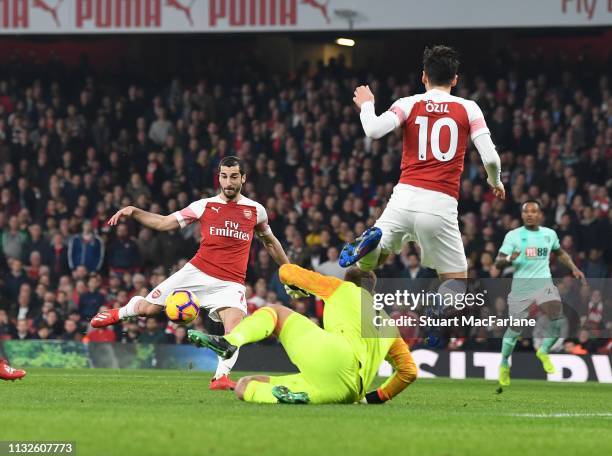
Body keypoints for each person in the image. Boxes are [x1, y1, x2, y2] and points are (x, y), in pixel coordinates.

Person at [91, 156, 294, 390]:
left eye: (234, 177)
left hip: (230, 283)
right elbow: (164, 223)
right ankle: (123, 311)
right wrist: (135, 212)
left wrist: (288, 270)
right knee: (147, 310)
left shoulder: (255, 210)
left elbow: (270, 242)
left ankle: (220, 378)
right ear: (219, 177)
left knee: (235, 331)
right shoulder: (204, 206)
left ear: (243, 178)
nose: (228, 182)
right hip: (196, 273)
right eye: (224, 176)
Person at [340, 45, 505, 283]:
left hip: (403, 199)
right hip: (439, 205)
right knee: (457, 281)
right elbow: (490, 158)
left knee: (375, 259)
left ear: (424, 77)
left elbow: (373, 130)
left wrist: (367, 104)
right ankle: (438, 312)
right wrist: (495, 180)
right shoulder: (469, 108)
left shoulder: (409, 103)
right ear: (455, 80)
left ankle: (371, 248)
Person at [188, 263, 417, 404]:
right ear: (372, 291)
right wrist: (377, 397)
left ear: (349, 281)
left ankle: (230, 341)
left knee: (275, 312)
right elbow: (409, 372)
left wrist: (296, 288)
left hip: (335, 355)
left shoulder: (339, 287)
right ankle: (285, 398)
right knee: (244, 386)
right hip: (347, 392)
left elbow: (287, 272)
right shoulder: (389, 324)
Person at [494, 200, 585, 388]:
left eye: (533, 211)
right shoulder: (514, 236)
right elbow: (498, 262)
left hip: (544, 284)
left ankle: (543, 351)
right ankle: (504, 362)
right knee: (516, 328)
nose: (529, 214)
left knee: (558, 321)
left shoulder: (549, 234)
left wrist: (574, 268)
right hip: (522, 287)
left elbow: (560, 253)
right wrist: (510, 258)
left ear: (539, 214)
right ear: (522, 215)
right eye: (525, 212)